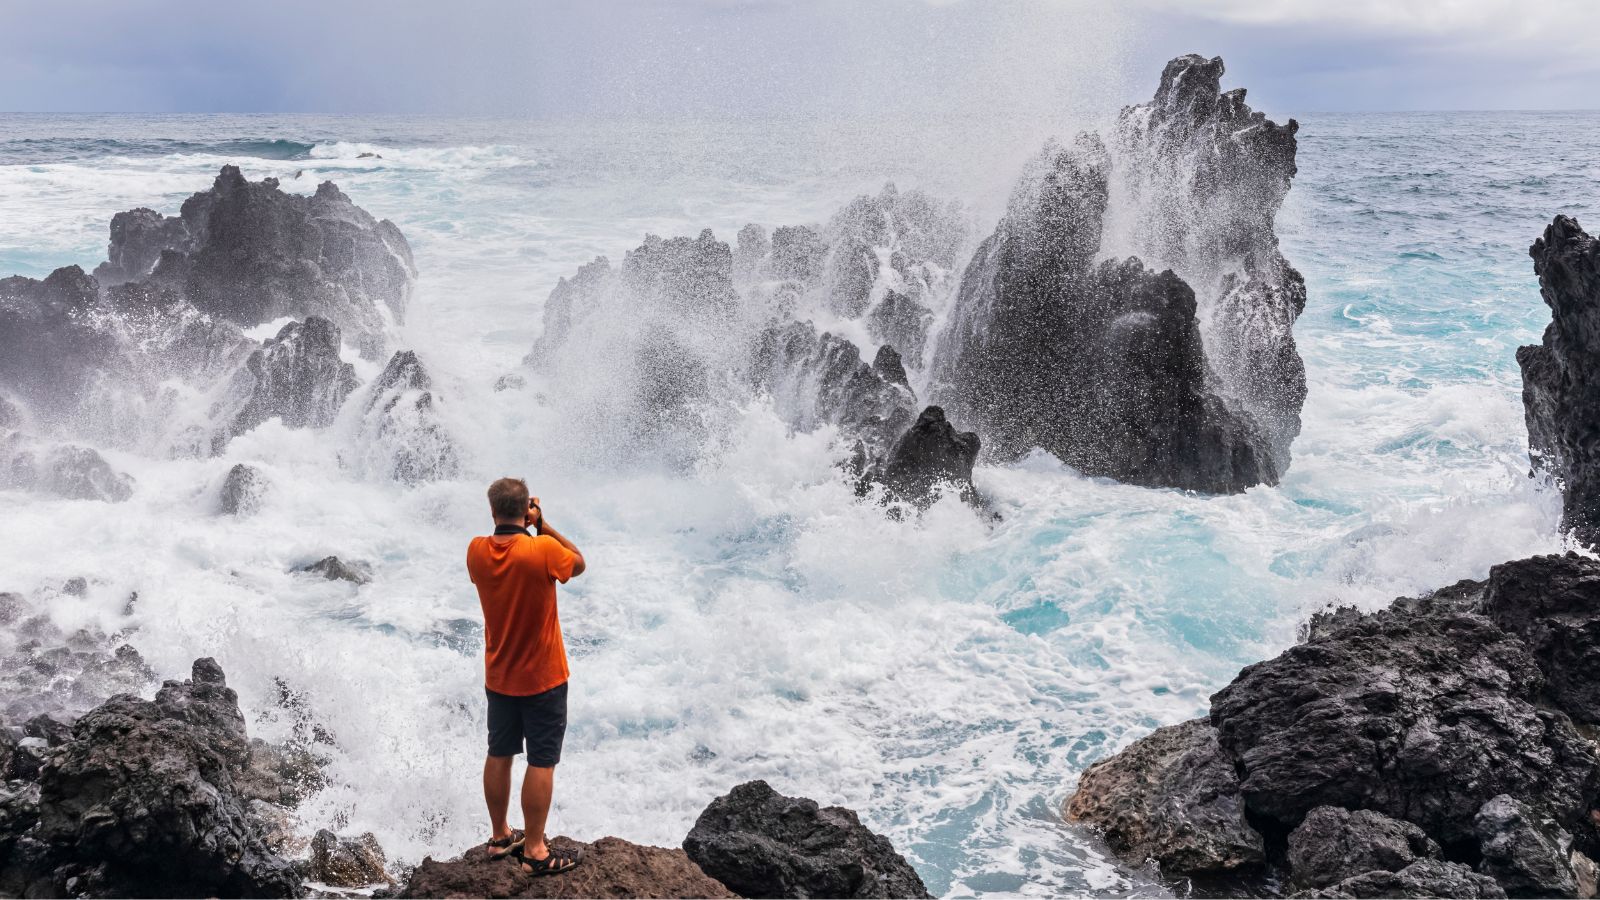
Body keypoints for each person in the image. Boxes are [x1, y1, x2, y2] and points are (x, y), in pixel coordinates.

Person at [466, 477, 587, 876]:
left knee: (499, 752)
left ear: (492, 511)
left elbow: (500, 548)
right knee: (541, 760)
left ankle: (500, 835)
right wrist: (544, 525)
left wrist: (523, 524)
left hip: (499, 676)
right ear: (526, 511)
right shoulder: (543, 550)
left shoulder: (476, 552)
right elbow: (579, 561)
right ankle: (535, 848)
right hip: (543, 678)